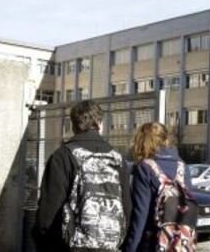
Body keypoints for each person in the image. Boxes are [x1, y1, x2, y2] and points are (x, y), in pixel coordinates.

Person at [35, 100, 131, 252]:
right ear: (100, 124)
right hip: (110, 245)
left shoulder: (63, 156)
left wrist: (45, 243)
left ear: (73, 126)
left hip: (71, 245)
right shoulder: (117, 159)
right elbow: (126, 207)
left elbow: (49, 211)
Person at [124, 122, 196, 252]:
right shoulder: (182, 166)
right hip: (180, 244)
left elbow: (141, 215)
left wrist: (130, 247)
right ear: (165, 139)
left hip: (152, 243)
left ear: (142, 141)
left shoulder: (145, 167)